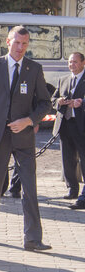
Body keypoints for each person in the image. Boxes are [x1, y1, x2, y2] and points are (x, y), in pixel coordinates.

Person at [0, 26, 52, 251]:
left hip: (24, 137)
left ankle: (33, 238)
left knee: (29, 187)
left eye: (25, 44)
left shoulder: (34, 69)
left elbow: (45, 103)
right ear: (8, 42)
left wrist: (29, 120)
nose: (21, 48)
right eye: (17, 43)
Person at [51, 52, 85, 209]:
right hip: (65, 125)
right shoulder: (63, 79)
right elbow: (52, 99)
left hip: (81, 126)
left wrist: (81, 103)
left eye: (75, 62)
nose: (72, 65)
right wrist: (58, 101)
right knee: (67, 159)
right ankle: (72, 189)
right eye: (70, 62)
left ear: (83, 63)